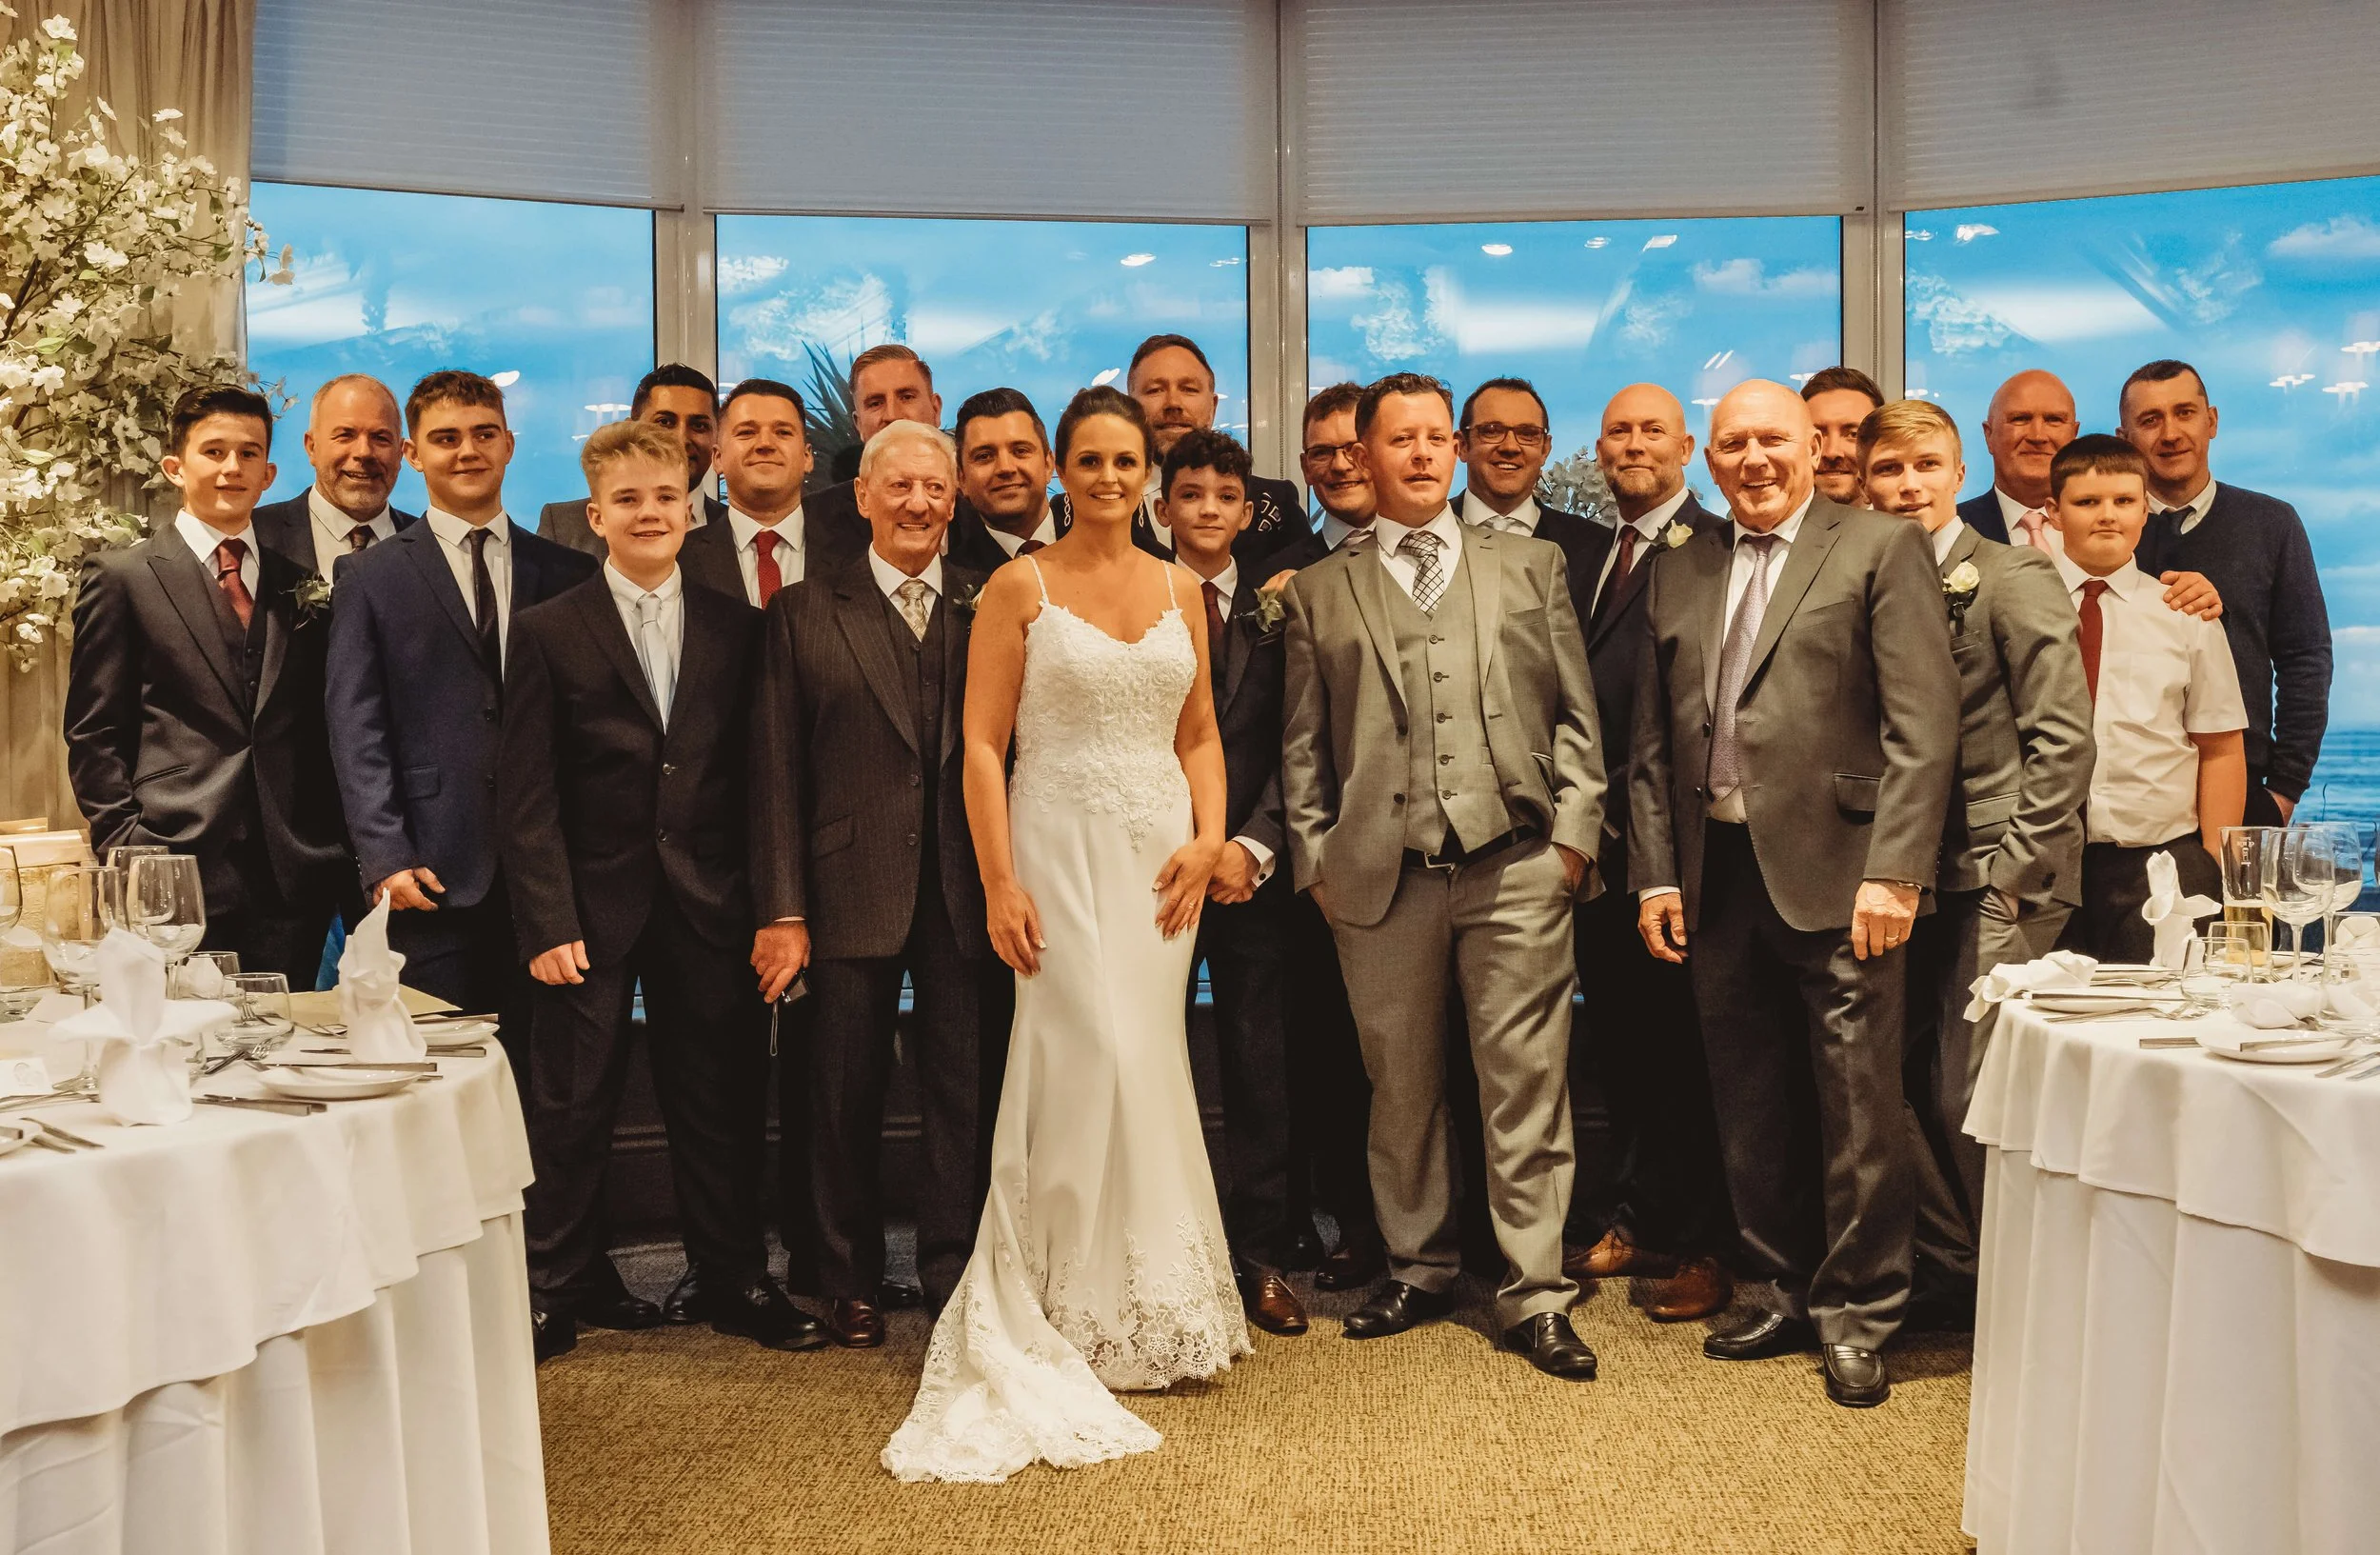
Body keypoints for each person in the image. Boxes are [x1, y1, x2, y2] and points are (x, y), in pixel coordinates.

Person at [883, 386, 1246, 1483]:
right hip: (1056, 847)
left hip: (1158, 860)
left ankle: (1159, 1298)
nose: (1105, 478)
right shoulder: (1017, 584)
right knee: (1088, 1054)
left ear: (1147, 471)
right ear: (1060, 472)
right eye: (1086, 460)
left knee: (1151, 1059)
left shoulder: (1184, 585)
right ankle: (1065, 1300)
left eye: (1124, 461)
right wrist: (998, 881)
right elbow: (982, 747)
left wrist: (1211, 838)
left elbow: (1200, 733)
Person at [1629, 379, 1958, 1408]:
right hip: (1715, 874)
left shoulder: (1874, 546)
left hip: (1846, 874)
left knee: (1859, 1109)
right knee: (1750, 1101)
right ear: (1709, 458)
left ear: (1812, 447)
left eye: (1772, 439)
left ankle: (1858, 1312)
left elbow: (1923, 727)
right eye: (1733, 444)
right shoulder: (1680, 568)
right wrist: (1652, 875)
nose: (1754, 459)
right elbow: (1649, 745)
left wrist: (1896, 870)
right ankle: (1777, 1284)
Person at [1280, 371, 1604, 1382]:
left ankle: (1535, 1293)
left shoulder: (1531, 566)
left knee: (1525, 1087)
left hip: (1515, 867)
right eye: (1399, 440)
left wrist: (1574, 841)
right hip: (1379, 878)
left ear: (1454, 452)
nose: (1419, 454)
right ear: (1363, 458)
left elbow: (1575, 714)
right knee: (1401, 1087)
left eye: (1434, 438)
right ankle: (1418, 1268)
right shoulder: (1320, 590)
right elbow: (1302, 749)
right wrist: (1314, 863)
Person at [501, 418, 817, 1363]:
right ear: (596, 514)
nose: (650, 513)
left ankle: (732, 1278)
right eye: (628, 500)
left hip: (709, 903)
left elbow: (765, 782)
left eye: (666, 497)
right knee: (573, 1103)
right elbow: (526, 796)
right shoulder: (548, 631)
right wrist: (547, 917)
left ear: (692, 507)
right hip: (589, 913)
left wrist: (774, 908)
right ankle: (555, 1287)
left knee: (716, 1100)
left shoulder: (739, 626)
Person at [752, 421, 995, 1348]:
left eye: (935, 488)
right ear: (860, 495)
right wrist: (782, 908)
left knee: (958, 1093)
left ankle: (952, 1269)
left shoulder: (990, 602)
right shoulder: (807, 610)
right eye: (899, 487)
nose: (919, 504)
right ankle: (841, 1276)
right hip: (844, 886)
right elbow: (775, 776)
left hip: (962, 890)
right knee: (839, 1093)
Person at [1859, 398, 2093, 1319]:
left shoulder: (2012, 574)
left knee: (1971, 1087)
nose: (1909, 484)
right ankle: (1963, 1268)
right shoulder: (1867, 578)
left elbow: (2064, 738)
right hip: (1904, 875)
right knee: (1879, 1082)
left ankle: (2022, 1294)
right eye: (1890, 470)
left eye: (1926, 465)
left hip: (2001, 875)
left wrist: (2016, 870)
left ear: (1960, 473)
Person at [326, 372, 600, 1113]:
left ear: (509, 444)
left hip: (549, 876)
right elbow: (357, 727)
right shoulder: (370, 576)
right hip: (430, 870)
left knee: (549, 1083)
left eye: (483, 434)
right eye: (446, 438)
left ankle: (542, 1234)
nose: (467, 450)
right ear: (415, 453)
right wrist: (383, 853)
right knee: (437, 1084)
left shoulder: (570, 573)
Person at [65, 386, 351, 987]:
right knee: (184, 1053)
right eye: (214, 451)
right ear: (175, 467)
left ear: (270, 473)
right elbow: (95, 732)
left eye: (249, 454)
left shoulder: (302, 584)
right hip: (170, 860)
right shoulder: (123, 578)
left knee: (280, 1052)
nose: (231, 468)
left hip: (290, 873)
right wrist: (128, 849)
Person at [1563, 383, 1735, 1323]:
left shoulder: (1712, 551)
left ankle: (1706, 1243)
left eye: (1652, 433)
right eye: (1619, 431)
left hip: (1680, 845)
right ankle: (1635, 1210)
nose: (1635, 445)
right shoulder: (1586, 552)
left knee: (1696, 1056)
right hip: (1597, 850)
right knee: (1623, 1050)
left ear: (1687, 449)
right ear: (1600, 448)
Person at [1158, 427, 1307, 1338]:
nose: (1208, 510)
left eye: (1225, 496)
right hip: (1149, 867)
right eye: (1191, 495)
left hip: (1250, 872)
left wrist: (1249, 846)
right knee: (1155, 1057)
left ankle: (1260, 1254)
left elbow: (1308, 739)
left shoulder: (1281, 601)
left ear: (1247, 509)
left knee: (1258, 1065)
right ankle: (1168, 1252)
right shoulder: (1130, 594)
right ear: (1162, 505)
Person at [1268, 381, 1385, 1292]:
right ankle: (1354, 1222)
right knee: (1332, 1050)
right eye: (1321, 453)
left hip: (1431, 848)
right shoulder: (1284, 565)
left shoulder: (1443, 554)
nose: (1339, 465)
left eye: (1353, 447)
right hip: (1325, 853)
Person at [2046, 434, 2247, 960]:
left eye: (2124, 501)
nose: (2107, 515)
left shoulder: (2185, 612)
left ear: (2145, 510)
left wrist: (2214, 866)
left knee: (2161, 1024)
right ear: (2053, 512)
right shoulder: (2020, 606)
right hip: (2040, 861)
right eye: (2087, 502)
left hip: (2158, 863)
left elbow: (2221, 745)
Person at [2122, 359, 2330, 827]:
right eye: (2150, 420)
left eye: (2185, 413)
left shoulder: (2273, 523)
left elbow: (2306, 659)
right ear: (2125, 438)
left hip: (2247, 788)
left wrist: (2285, 789)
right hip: (2129, 798)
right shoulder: (2107, 537)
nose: (2171, 433)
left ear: (2211, 421)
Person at [1059, 333, 1308, 567]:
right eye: (1155, 390)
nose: (1173, 404)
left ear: (1212, 407)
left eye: (1189, 389)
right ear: (1130, 408)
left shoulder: (1273, 504)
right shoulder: (1075, 510)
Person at [677, 377, 864, 609]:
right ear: (718, 458)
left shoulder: (860, 555)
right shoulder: (677, 560)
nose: (765, 444)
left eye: (783, 432)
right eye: (746, 432)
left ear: (807, 457)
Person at [1449, 376, 1601, 623]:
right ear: (1462, 445)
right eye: (1492, 431)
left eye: (1528, 434)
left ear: (1545, 449)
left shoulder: (1593, 548)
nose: (1510, 446)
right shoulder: (1423, 535)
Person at [539, 365, 724, 553]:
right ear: (631, 428)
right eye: (665, 422)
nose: (681, 438)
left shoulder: (736, 532)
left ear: (717, 437)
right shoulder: (564, 528)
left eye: (699, 426)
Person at [249, 374, 418, 579]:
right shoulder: (254, 536)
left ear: (400, 453)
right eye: (345, 435)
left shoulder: (430, 547)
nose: (363, 452)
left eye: (380, 438)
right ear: (312, 447)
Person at [803, 344, 942, 564]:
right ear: (858, 424)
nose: (892, 415)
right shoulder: (814, 522)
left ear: (936, 410)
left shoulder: (979, 518)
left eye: (906, 397)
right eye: (875, 403)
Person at [950, 387, 1067, 571]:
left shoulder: (1102, 539)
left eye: (1020, 451)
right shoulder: (950, 581)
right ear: (961, 478)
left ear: (1048, 464)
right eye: (984, 456)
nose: (1005, 468)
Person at [1955, 369, 2075, 548]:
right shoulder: (1952, 530)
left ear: (2074, 434)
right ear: (1989, 435)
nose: (2037, 436)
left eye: (2054, 420)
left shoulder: (2114, 529)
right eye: (2020, 419)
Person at [1801, 366, 1884, 507]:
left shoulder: (1907, 525)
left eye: (1853, 434)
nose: (1832, 452)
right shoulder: (1769, 527)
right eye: (1818, 436)